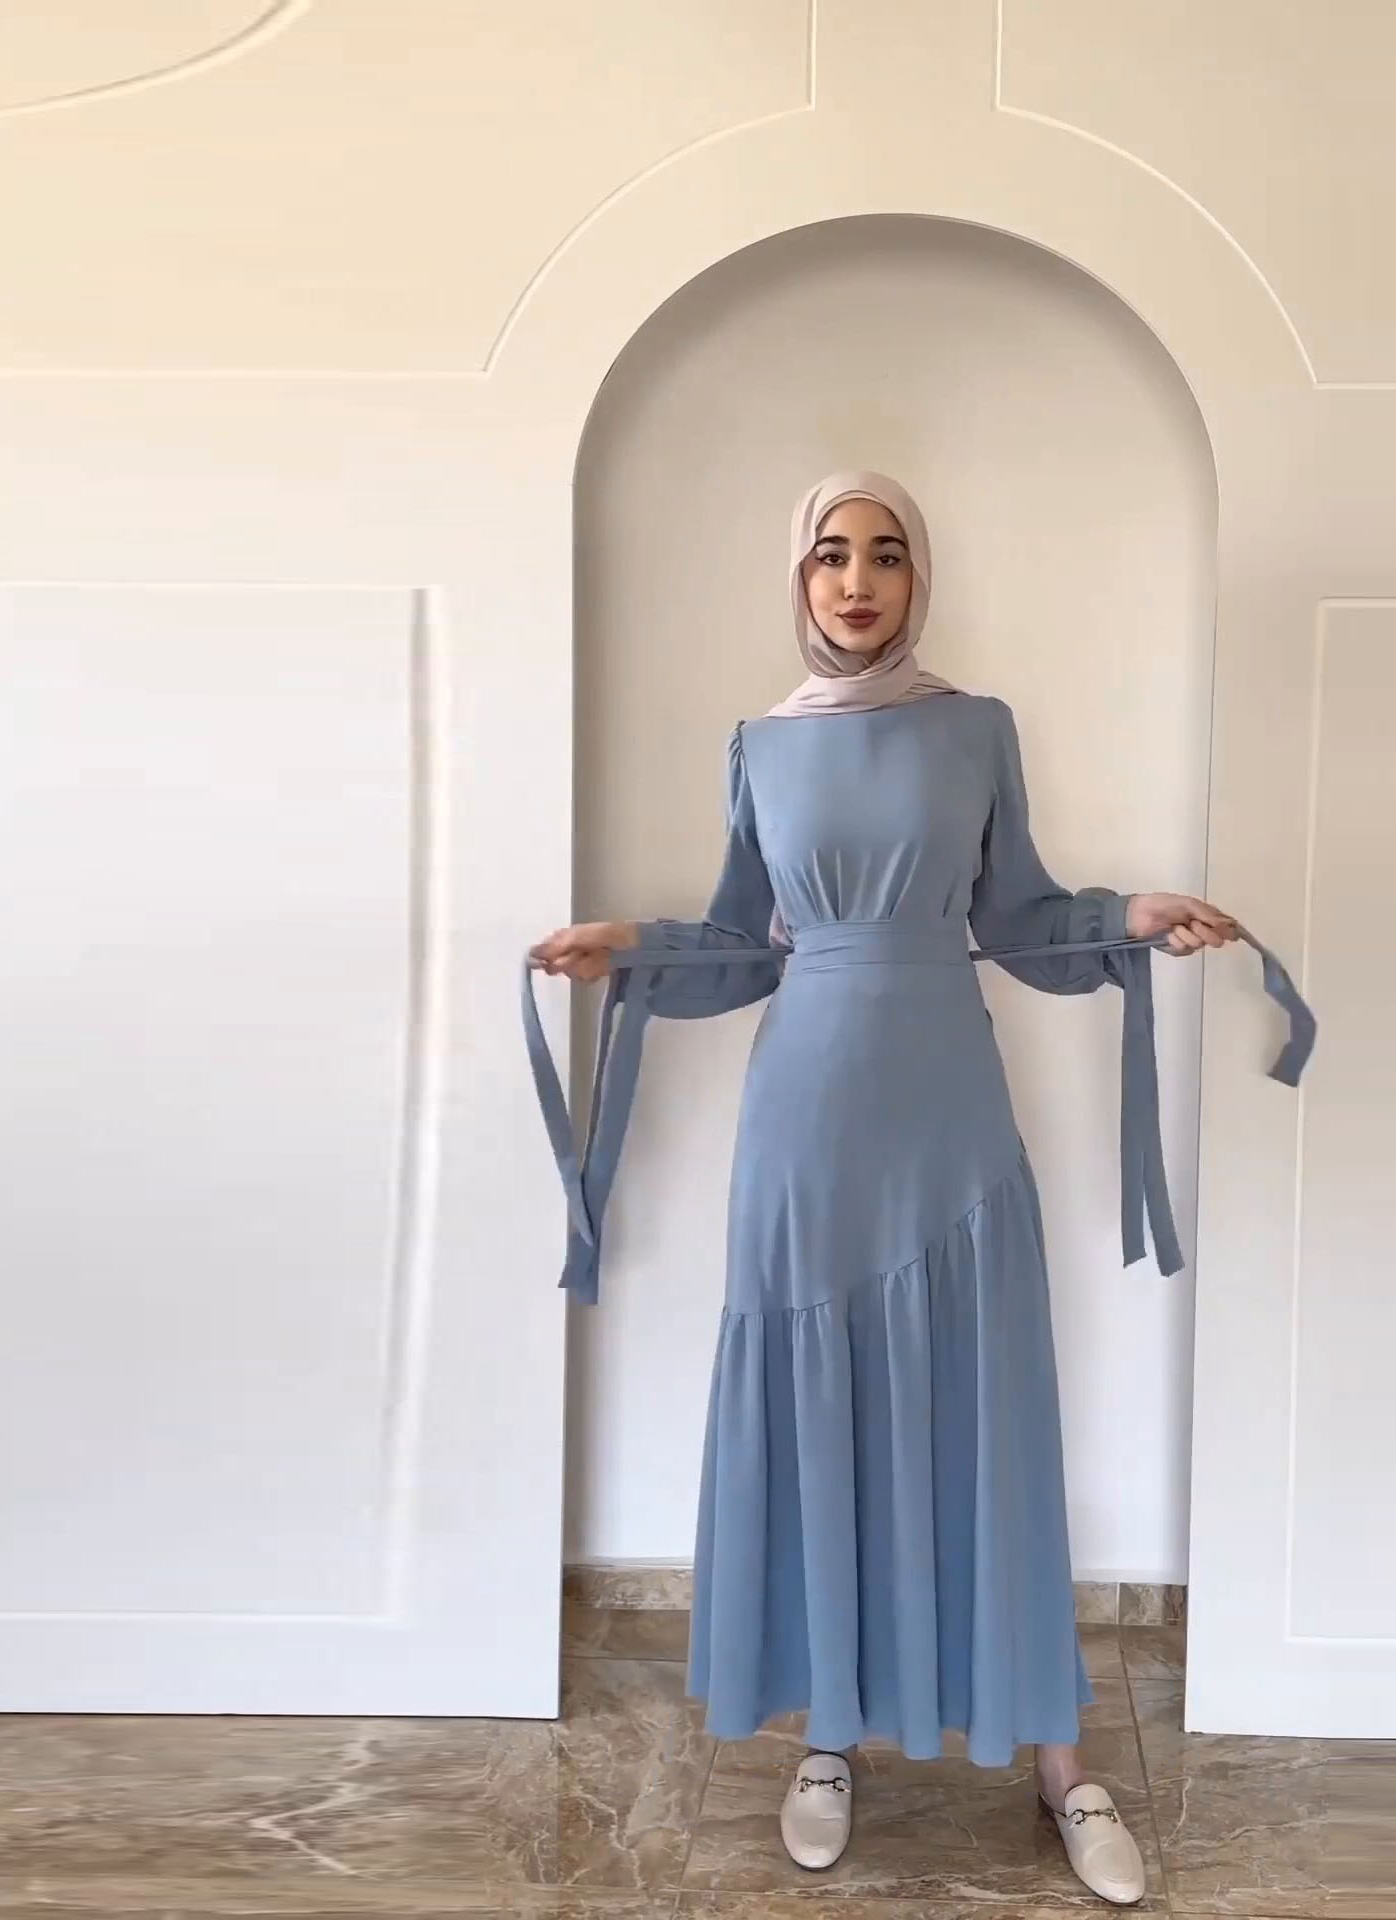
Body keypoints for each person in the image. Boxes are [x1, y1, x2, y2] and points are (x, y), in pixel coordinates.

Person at [530, 471, 1246, 1907]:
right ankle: (830, 1735)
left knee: (985, 1404)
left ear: (921, 578)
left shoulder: (976, 728)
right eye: (830, 556)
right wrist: (630, 946)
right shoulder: (760, 747)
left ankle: (1059, 1756)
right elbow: (745, 945)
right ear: (799, 578)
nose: (856, 582)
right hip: (803, 1126)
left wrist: (1128, 915)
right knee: (821, 1412)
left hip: (948, 1111)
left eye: (886, 555)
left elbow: (1020, 917)